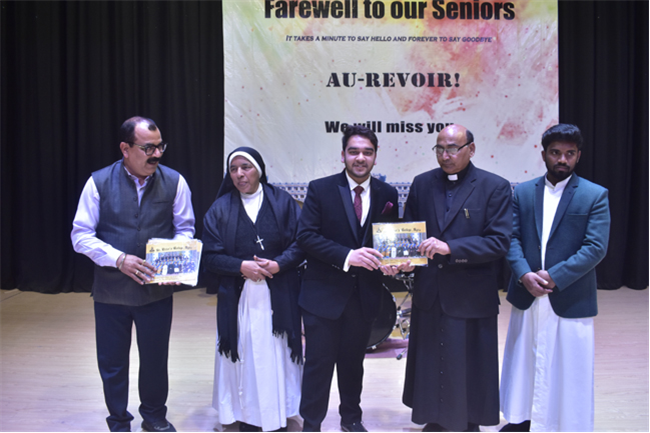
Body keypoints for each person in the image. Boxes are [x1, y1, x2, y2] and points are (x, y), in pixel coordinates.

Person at [71, 116, 195, 432]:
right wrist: (119, 259)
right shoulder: (98, 182)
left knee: (155, 360)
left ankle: (153, 417)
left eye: (160, 146)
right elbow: (80, 235)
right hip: (111, 292)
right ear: (125, 149)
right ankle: (118, 421)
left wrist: (176, 258)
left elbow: (185, 228)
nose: (157, 154)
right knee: (112, 363)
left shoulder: (175, 182)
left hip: (156, 292)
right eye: (148, 148)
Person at [400, 124, 512, 432]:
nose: (445, 156)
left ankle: (469, 420)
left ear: (471, 149)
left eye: (452, 149)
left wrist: (450, 248)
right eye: (439, 149)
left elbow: (499, 242)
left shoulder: (494, 186)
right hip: (430, 290)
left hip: (470, 292)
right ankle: (435, 418)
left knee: (470, 361)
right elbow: (411, 232)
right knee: (431, 358)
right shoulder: (422, 183)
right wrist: (404, 260)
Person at [499, 124, 610, 432]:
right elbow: (511, 238)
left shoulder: (594, 194)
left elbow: (596, 247)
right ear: (544, 154)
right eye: (556, 153)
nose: (562, 159)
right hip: (528, 292)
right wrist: (524, 274)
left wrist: (554, 276)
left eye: (569, 153)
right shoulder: (523, 192)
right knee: (524, 361)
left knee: (569, 367)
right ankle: (521, 420)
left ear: (578, 156)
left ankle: (565, 425)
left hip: (569, 294)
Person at [297, 125, 399, 432]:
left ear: (375, 157)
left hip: (364, 295)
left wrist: (391, 263)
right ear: (343, 155)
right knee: (318, 364)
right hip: (323, 295)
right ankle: (311, 424)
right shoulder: (320, 189)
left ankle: (351, 419)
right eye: (354, 151)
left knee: (353, 363)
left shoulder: (388, 194)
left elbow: (387, 242)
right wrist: (347, 256)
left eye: (367, 152)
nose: (360, 158)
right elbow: (306, 237)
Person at [202, 147, 304, 432]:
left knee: (275, 353)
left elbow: (301, 243)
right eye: (233, 169)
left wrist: (279, 264)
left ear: (258, 170)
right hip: (239, 296)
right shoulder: (220, 208)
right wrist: (240, 266)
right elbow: (209, 255)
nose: (239, 174)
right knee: (244, 352)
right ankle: (244, 412)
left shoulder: (283, 203)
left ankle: (278, 411)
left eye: (245, 167)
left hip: (278, 294)